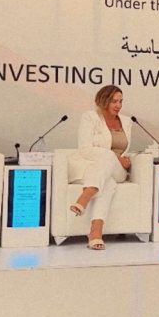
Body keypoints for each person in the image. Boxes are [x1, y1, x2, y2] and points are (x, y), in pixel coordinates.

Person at [68, 85, 132, 250]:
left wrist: (120, 159)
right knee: (108, 184)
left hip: (118, 170)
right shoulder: (90, 117)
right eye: (114, 101)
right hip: (94, 167)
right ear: (104, 101)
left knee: (109, 159)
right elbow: (84, 149)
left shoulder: (126, 121)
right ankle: (95, 233)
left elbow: (124, 151)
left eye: (120, 101)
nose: (118, 105)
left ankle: (86, 195)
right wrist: (113, 156)